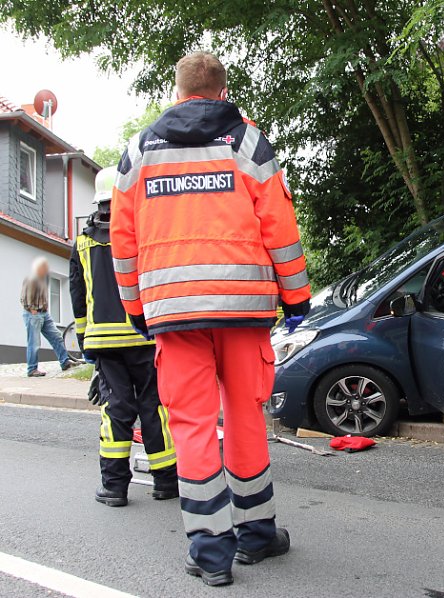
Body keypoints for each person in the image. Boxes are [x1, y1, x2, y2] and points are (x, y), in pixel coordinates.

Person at [110, 51, 311, 587]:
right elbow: (280, 225)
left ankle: (210, 553)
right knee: (244, 416)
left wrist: (136, 308)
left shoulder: (140, 151)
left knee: (193, 426)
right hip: (243, 309)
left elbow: (122, 245)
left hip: (174, 313)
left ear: (177, 93)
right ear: (222, 92)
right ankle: (257, 534)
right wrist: (296, 298)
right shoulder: (246, 142)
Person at [69, 166, 178, 508]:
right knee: (154, 407)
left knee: (116, 409)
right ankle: (165, 482)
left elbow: (77, 291)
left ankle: (115, 488)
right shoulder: (140, 232)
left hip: (104, 342)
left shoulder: (83, 241)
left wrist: (85, 338)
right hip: (144, 336)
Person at [20, 256, 83, 377]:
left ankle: (65, 362)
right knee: (34, 343)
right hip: (33, 314)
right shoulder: (31, 279)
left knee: (56, 336)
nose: (46, 269)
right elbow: (24, 297)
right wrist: (33, 309)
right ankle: (32, 369)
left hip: (44, 313)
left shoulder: (44, 279)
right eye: (44, 267)